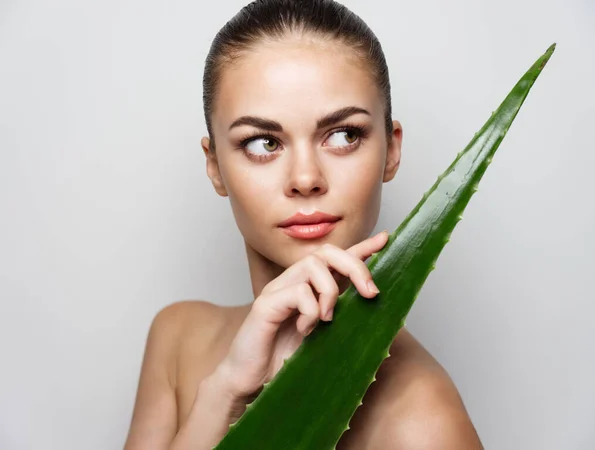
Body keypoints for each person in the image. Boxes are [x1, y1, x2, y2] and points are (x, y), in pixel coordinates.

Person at [124, 0, 483, 448]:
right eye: (262, 142)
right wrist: (225, 393)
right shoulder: (178, 336)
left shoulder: (422, 421)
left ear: (391, 151)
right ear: (214, 165)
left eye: (344, 135)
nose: (306, 179)